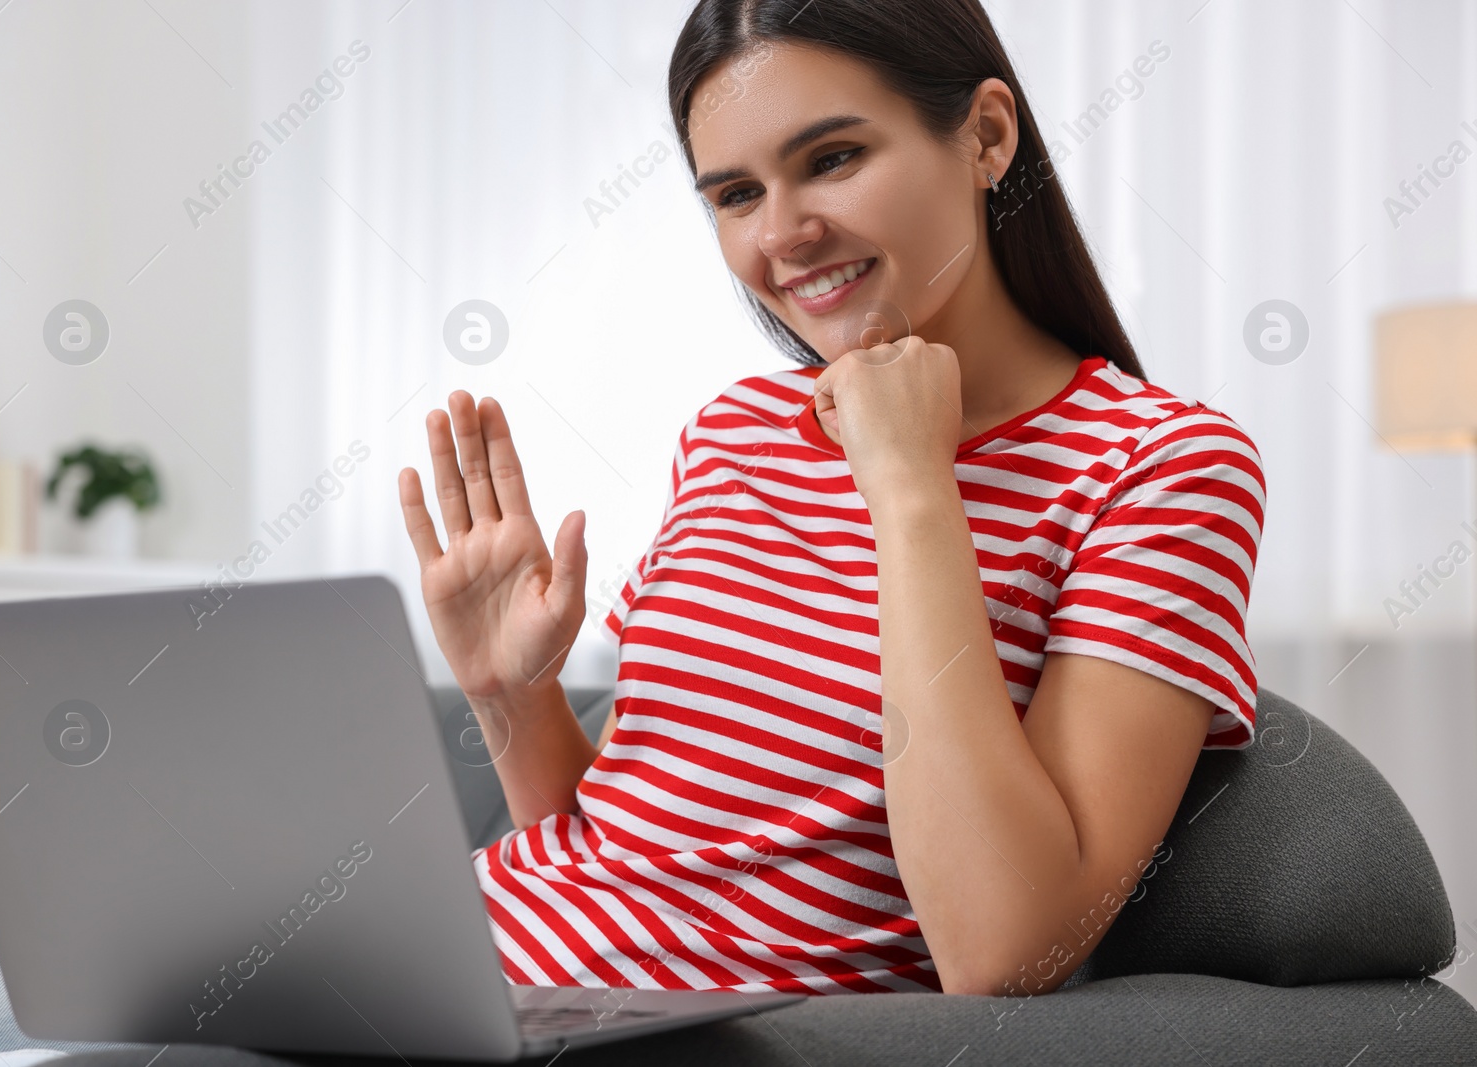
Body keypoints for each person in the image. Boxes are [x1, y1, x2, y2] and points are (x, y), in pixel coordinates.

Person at [396, 0, 1265, 998]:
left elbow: (1003, 946)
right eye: (733, 192)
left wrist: (910, 484)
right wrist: (511, 694)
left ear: (986, 136)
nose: (782, 235)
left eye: (833, 158)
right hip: (465, 972)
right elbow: (622, 851)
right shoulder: (735, 431)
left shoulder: (1161, 469)